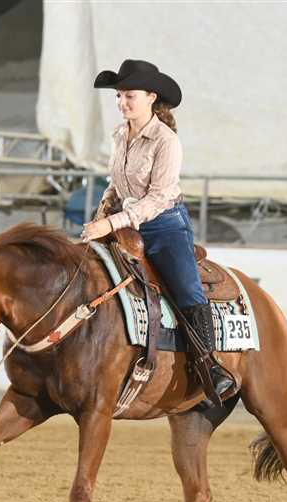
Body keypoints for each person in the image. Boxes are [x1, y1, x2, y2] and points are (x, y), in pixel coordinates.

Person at [80, 59, 234, 407]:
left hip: (164, 225)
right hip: (124, 220)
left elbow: (158, 197)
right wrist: (102, 212)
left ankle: (209, 365)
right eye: (118, 96)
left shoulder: (166, 141)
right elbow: (116, 184)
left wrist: (111, 223)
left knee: (186, 289)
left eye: (129, 96)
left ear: (151, 97)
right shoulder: (120, 134)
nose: (122, 103)